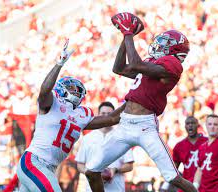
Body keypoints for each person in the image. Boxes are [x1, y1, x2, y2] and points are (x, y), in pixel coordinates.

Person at [85, 12, 197, 192]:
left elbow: (136, 65)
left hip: (145, 127)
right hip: (124, 124)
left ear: (175, 49)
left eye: (166, 43)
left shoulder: (173, 64)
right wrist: (125, 37)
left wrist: (129, 34)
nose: (159, 45)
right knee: (91, 171)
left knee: (173, 177)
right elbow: (119, 68)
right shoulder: (153, 62)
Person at [16, 39, 125, 192]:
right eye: (71, 88)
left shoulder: (81, 115)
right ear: (61, 89)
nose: (76, 91)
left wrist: (132, 99)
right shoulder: (51, 103)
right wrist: (59, 64)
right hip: (34, 162)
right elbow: (44, 90)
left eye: (77, 89)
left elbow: (112, 118)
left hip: (49, 168)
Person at [75, 101, 134, 192]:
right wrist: (93, 174)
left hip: (116, 189)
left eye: (109, 114)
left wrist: (115, 170)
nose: (106, 116)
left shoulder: (122, 137)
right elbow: (80, 164)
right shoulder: (87, 138)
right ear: (98, 115)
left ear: (114, 115)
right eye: (103, 113)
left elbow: (129, 165)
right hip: (91, 189)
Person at [161, 116, 208, 192]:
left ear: (197, 125)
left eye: (193, 123)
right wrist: (165, 186)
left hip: (205, 185)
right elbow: (174, 168)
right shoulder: (179, 146)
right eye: (188, 123)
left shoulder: (207, 142)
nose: (190, 125)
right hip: (186, 186)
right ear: (185, 126)